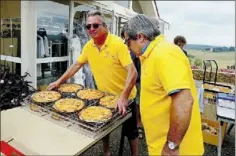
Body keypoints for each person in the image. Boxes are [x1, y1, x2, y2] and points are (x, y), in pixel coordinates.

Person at [47, 10, 139, 156]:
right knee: (101, 125)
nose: (91, 29)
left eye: (95, 25)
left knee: (131, 130)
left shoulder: (117, 44)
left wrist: (124, 96)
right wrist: (58, 81)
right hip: (103, 94)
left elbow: (133, 72)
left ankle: (135, 154)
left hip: (125, 95)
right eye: (88, 26)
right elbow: (76, 65)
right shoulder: (89, 46)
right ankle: (107, 152)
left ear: (105, 26)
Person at [121, 14, 204, 156]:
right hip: (160, 144)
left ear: (140, 37)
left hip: (177, 150)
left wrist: (171, 146)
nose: (127, 47)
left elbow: (184, 102)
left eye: (128, 42)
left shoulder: (164, 53)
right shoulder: (150, 54)